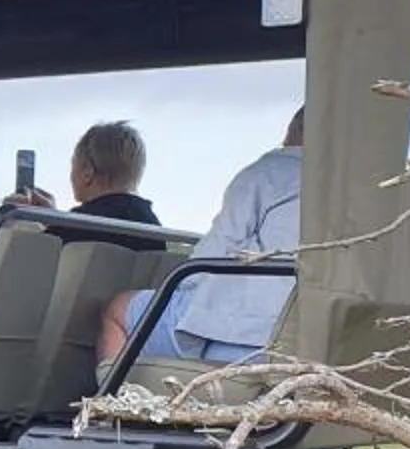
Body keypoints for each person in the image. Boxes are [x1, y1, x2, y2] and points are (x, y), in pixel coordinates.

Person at [98, 108, 304, 365]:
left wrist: (178, 288)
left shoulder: (271, 171)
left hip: (242, 332)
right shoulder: (360, 192)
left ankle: (114, 402)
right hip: (311, 336)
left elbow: (216, 251)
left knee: (118, 309)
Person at [3, 120, 165, 251]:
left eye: (73, 164)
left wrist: (5, 223)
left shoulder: (74, 229)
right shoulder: (154, 230)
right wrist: (55, 220)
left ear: (87, 172)